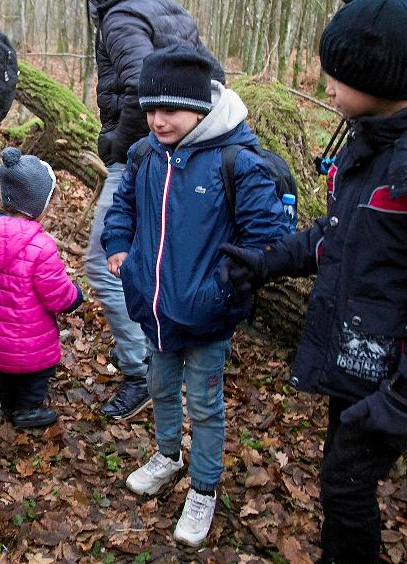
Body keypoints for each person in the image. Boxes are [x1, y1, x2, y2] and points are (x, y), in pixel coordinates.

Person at [220, 0, 407, 562]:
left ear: (380, 78)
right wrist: (270, 261)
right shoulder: (372, 140)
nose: (327, 87)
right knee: (339, 477)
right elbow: (341, 232)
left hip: (396, 374)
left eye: (338, 77)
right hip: (357, 359)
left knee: (345, 488)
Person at [101, 44, 290, 547]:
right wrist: (120, 247)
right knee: (160, 387)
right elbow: (123, 208)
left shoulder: (237, 161)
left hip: (208, 317)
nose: (157, 120)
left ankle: (203, 487)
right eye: (150, 109)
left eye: (170, 109)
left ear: (200, 106)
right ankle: (168, 453)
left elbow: (264, 239)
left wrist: (219, 288)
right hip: (154, 307)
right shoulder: (144, 154)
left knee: (204, 406)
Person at [76, 0, 226, 421]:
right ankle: (163, 356)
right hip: (178, 150)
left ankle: (140, 370)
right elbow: (212, 76)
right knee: (154, 252)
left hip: (146, 152)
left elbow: (146, 86)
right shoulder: (169, 6)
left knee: (103, 262)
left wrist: (119, 147)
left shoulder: (121, 17)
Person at [0, 147, 83, 430]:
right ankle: (27, 410)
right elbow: (57, 296)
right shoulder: (40, 246)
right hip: (30, 340)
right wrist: (75, 296)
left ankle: (8, 403)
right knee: (37, 372)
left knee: (7, 373)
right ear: (38, 207)